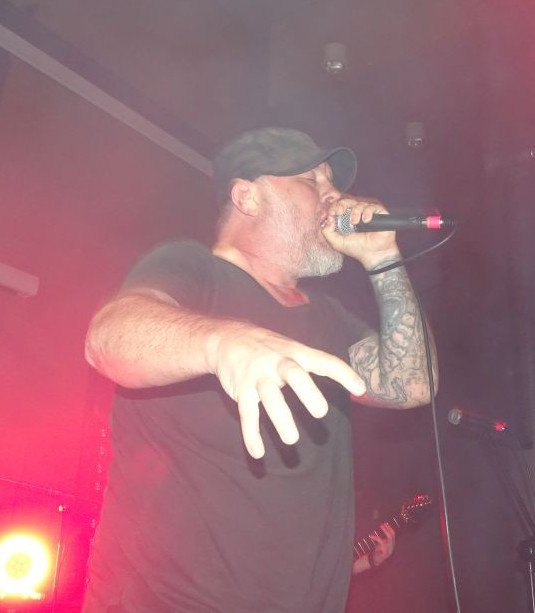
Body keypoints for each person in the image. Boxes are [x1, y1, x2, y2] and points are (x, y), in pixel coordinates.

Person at [81, 127, 437, 612]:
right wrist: (225, 341)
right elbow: (108, 337)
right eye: (313, 181)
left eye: (333, 183)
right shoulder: (191, 269)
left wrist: (383, 258)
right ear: (247, 197)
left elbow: (413, 383)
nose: (334, 196)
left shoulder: (328, 318)